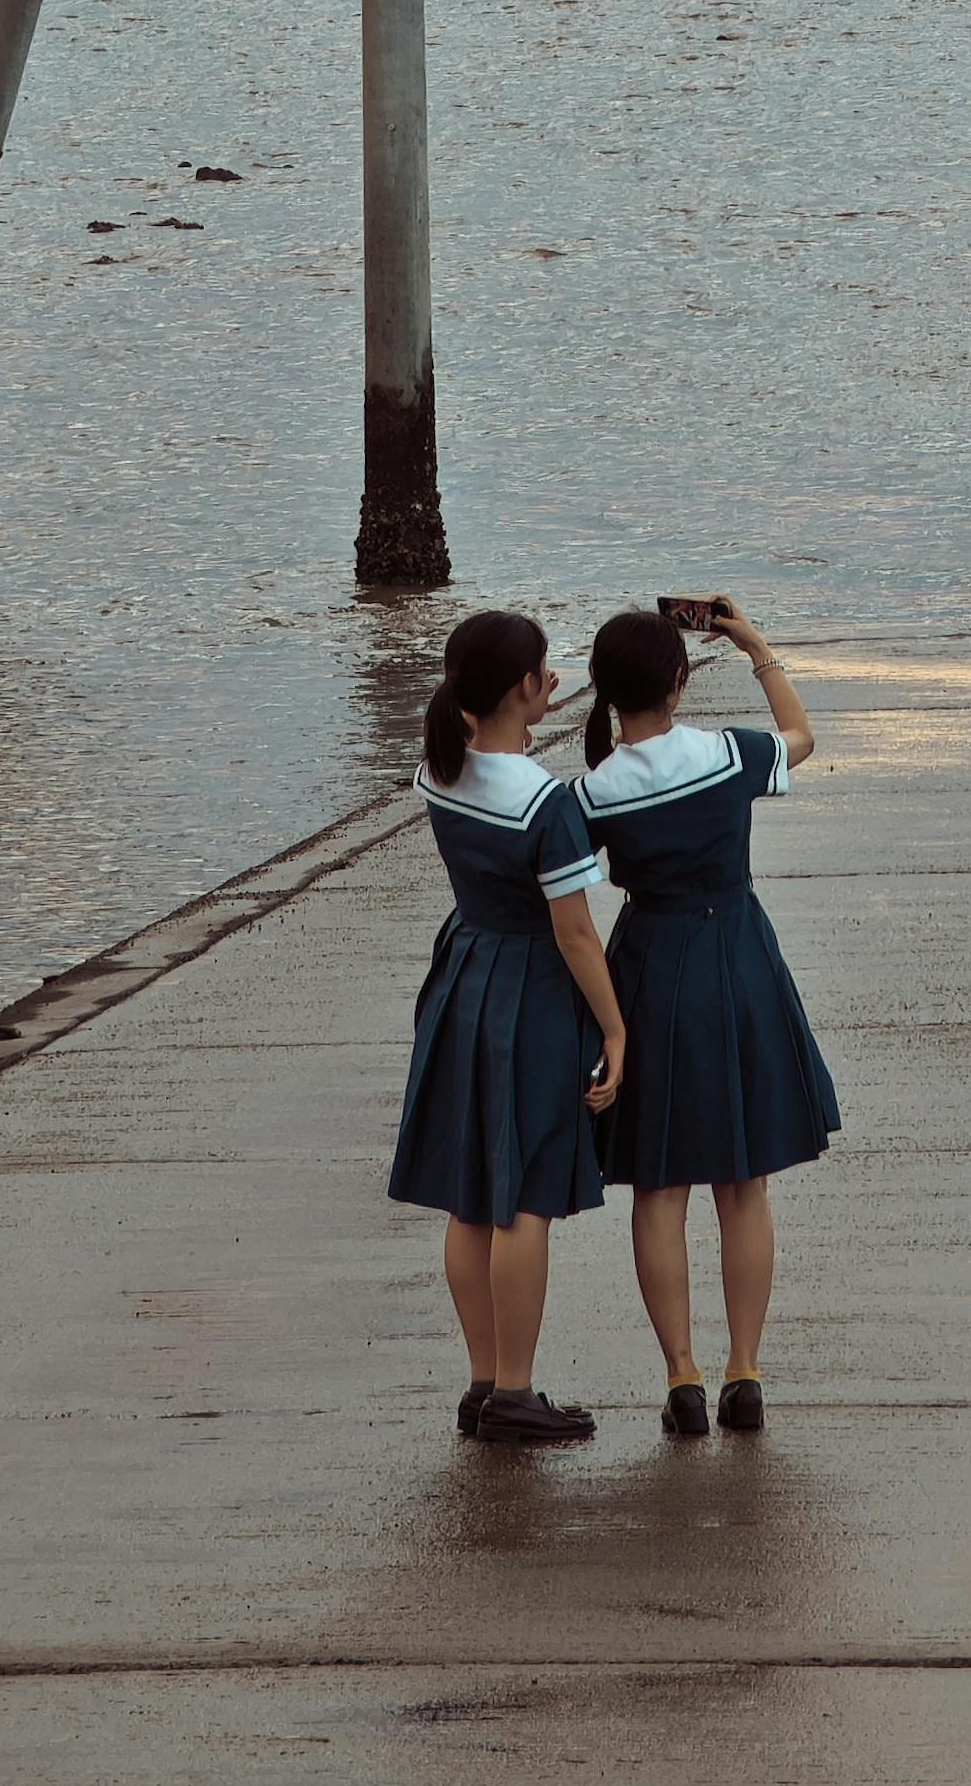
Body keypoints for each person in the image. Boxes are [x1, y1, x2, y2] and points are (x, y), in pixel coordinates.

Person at [580, 599, 838, 1436]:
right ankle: (746, 1369)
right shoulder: (727, 753)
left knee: (658, 1186)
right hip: (736, 956)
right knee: (743, 1180)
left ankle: (681, 1376)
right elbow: (801, 737)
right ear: (681, 679)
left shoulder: (592, 791)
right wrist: (754, 640)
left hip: (649, 964)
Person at [389, 609, 626, 1448]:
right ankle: (519, 1392)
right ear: (522, 688)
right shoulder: (546, 804)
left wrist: (515, 704)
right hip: (528, 986)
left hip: (464, 974)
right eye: (543, 671)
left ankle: (484, 1380)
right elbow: (573, 931)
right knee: (525, 1191)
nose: (553, 679)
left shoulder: (438, 772)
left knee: (470, 1193)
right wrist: (615, 1027)